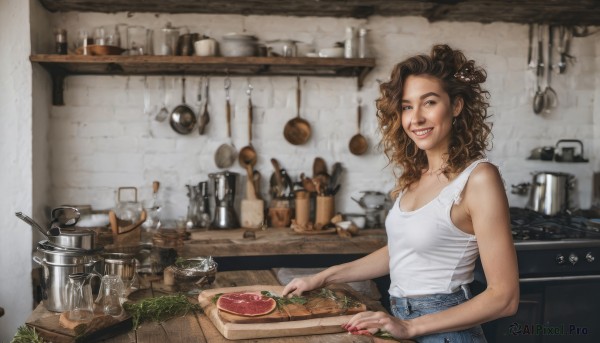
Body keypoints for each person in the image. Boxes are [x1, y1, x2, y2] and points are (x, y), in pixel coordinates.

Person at [282, 44, 519, 342]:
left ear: (456, 106)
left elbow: (505, 297)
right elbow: (401, 252)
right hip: (399, 321)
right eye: (407, 106)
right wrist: (321, 278)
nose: (415, 118)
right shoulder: (415, 177)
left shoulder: (479, 178)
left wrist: (411, 327)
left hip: (444, 330)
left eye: (429, 102)